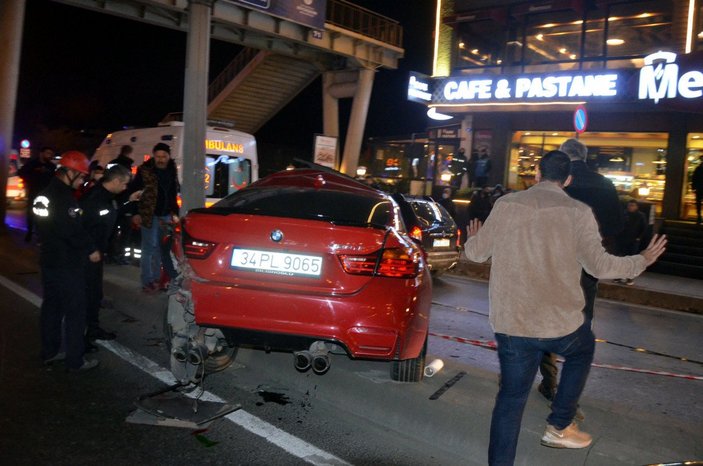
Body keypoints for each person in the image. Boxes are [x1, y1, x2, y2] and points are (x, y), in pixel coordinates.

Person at [464, 150, 666, 466]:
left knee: (510, 400)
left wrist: (472, 238)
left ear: (536, 175)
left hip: (513, 325)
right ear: (568, 179)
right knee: (582, 349)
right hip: (558, 325)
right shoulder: (577, 212)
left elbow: (476, 255)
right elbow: (599, 266)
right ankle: (559, 425)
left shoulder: (506, 205)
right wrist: (642, 260)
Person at [538, 138, 624, 406]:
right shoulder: (605, 185)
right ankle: (568, 391)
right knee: (582, 324)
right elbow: (617, 225)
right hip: (587, 265)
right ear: (585, 157)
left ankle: (549, 381)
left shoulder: (557, 182)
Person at [33, 151, 102, 372]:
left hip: (49, 260)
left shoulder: (43, 195)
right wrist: (91, 249)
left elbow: (43, 226)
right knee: (76, 311)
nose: (82, 181)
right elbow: (71, 230)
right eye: (81, 176)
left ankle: (50, 352)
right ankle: (75, 360)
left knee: (51, 308)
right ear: (69, 172)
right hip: (67, 263)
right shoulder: (64, 199)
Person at [80, 164, 141, 351]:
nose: (125, 188)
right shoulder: (93, 198)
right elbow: (79, 227)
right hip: (86, 255)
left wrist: (129, 201)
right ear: (115, 181)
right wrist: (91, 249)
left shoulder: (109, 198)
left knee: (95, 294)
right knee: (85, 296)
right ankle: (82, 337)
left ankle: (93, 329)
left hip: (98, 253)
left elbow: (112, 213)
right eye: (124, 184)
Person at [130, 142, 180, 292]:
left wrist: (175, 213)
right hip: (148, 214)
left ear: (169, 156)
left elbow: (172, 194)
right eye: (158, 156)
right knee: (149, 248)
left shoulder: (172, 170)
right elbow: (134, 193)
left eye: (164, 156)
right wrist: (135, 213)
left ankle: (158, 279)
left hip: (165, 216)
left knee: (161, 248)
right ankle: (147, 280)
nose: (160, 159)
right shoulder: (144, 170)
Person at [18, 146, 56, 242]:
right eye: (47, 153)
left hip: (46, 194)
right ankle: (29, 232)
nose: (49, 156)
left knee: (44, 215)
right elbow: (21, 172)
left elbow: (53, 179)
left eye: (51, 154)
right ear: (41, 153)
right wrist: (31, 179)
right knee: (31, 213)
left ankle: (40, 235)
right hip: (34, 192)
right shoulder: (32, 164)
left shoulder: (51, 166)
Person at [614, 200, 648, 285]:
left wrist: (638, 238)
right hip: (622, 239)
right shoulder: (624, 214)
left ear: (636, 206)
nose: (630, 207)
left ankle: (630, 278)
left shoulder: (640, 216)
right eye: (629, 205)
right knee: (621, 258)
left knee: (631, 259)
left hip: (633, 241)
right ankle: (619, 276)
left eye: (632, 205)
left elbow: (644, 228)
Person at [692, 155, 703, 224]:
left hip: (699, 188)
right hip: (699, 188)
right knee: (698, 203)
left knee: (698, 203)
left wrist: (694, 187)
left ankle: (699, 216)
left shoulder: (698, 169)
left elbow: (694, 178)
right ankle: (699, 216)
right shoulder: (698, 169)